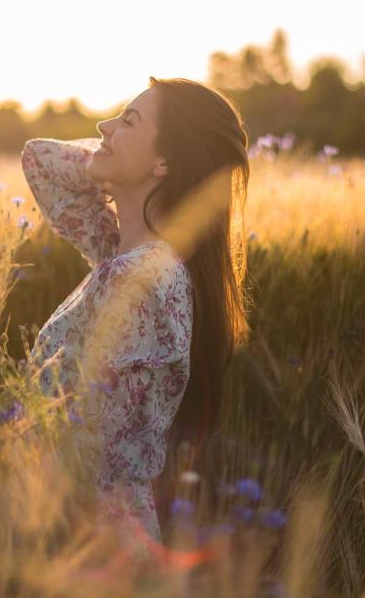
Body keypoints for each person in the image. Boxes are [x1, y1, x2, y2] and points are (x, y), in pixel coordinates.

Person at [20, 76, 252, 558]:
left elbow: (91, 449)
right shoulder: (124, 258)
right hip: (82, 529)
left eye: (128, 121)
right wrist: (113, 160)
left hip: (89, 541)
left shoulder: (140, 279)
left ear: (165, 161)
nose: (103, 125)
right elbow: (39, 158)